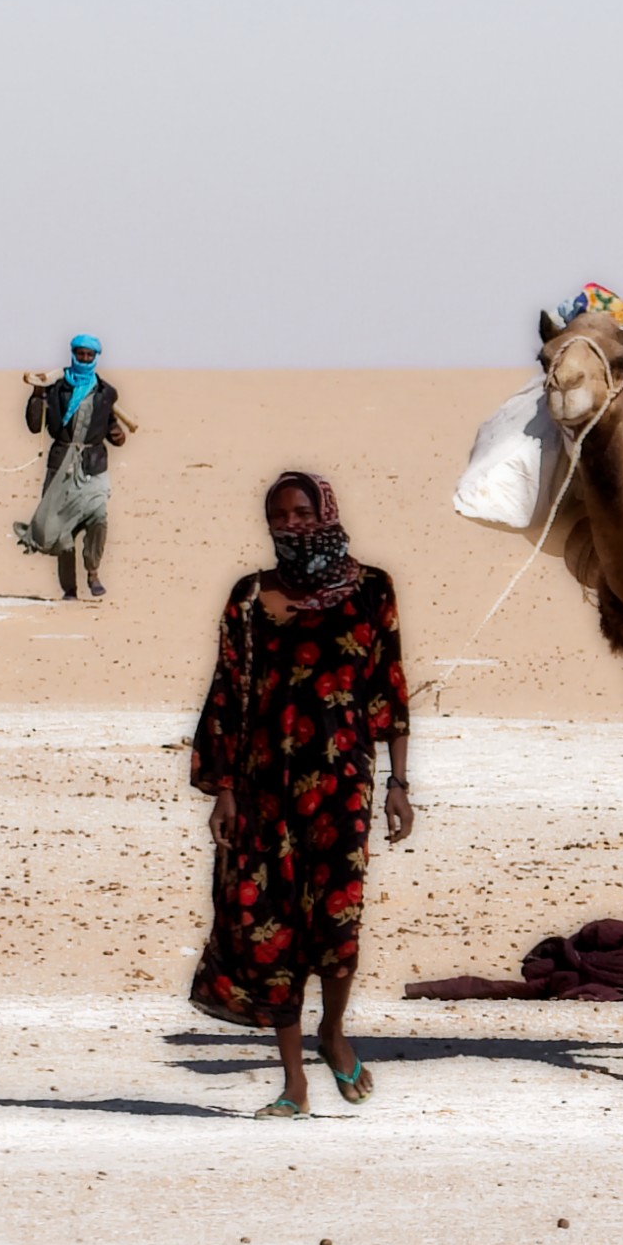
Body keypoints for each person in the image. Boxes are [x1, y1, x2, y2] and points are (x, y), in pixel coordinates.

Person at [187, 473, 413, 1117]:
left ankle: (333, 1034)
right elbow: (227, 695)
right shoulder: (251, 597)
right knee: (270, 930)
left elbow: (388, 688)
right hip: (261, 791)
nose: (291, 524)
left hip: (342, 787)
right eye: (278, 516)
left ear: (327, 512)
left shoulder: (372, 589)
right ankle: (294, 1082)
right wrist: (222, 789)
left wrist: (398, 783)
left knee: (337, 926)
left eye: (301, 511)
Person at [18, 333, 126, 598]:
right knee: (62, 531)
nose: (85, 359)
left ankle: (93, 571)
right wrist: (37, 393)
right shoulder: (56, 388)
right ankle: (70, 589)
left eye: (89, 355)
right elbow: (35, 426)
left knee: (98, 516)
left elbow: (110, 425)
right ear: (73, 355)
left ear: (96, 358)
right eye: (81, 354)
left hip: (93, 466)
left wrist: (117, 433)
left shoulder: (105, 392)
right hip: (61, 466)